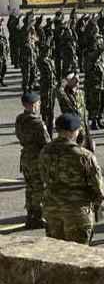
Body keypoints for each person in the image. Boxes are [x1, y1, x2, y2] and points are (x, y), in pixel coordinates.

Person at [38, 113, 104, 244]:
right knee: (78, 255)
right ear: (74, 131)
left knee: (55, 253)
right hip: (76, 211)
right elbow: (98, 189)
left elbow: (43, 176)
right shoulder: (84, 155)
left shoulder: (45, 151)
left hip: (52, 209)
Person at [15, 91, 50, 229]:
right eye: (38, 103)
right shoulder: (37, 122)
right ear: (33, 105)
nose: (39, 105)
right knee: (39, 188)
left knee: (29, 187)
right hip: (37, 157)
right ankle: (37, 216)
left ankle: (30, 215)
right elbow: (47, 142)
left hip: (25, 156)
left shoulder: (20, 119)